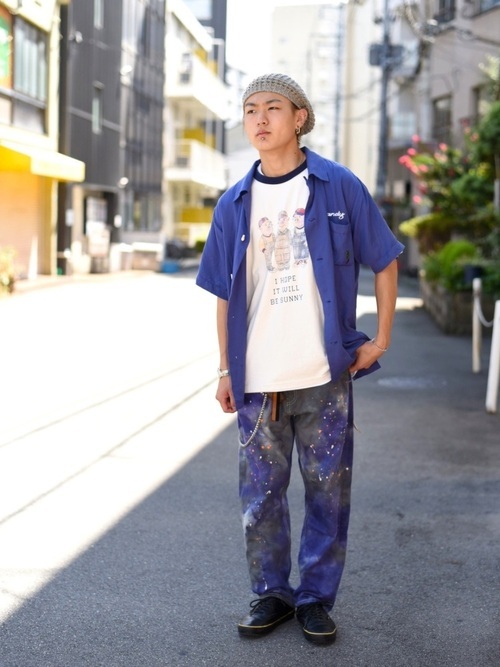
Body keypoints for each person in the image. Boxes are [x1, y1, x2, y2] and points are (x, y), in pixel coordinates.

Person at [196, 73, 404, 646]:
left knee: (327, 495)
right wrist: (224, 369)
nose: (260, 119)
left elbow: (386, 259)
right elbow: (224, 294)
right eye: (250, 110)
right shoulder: (233, 202)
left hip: (323, 375)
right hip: (258, 380)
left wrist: (381, 340)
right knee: (260, 498)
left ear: (299, 118)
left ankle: (315, 598)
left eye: (273, 107)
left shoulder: (338, 186)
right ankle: (271, 594)